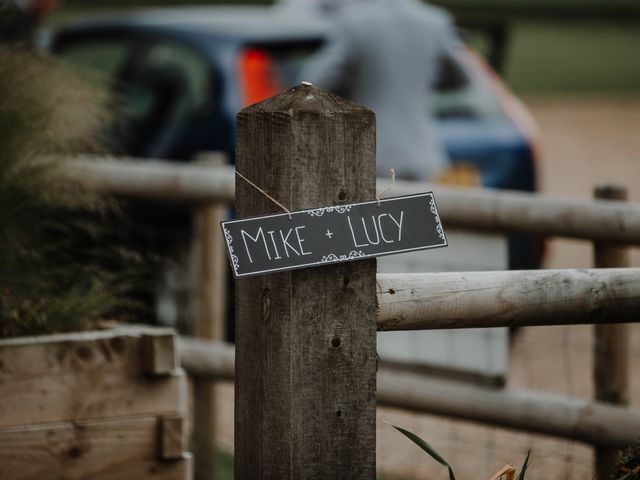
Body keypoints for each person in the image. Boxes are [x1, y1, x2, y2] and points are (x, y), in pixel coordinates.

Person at [299, 0, 460, 181]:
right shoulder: (434, 21)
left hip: (368, 154)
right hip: (424, 156)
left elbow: (314, 82)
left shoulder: (354, 22)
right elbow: (460, 77)